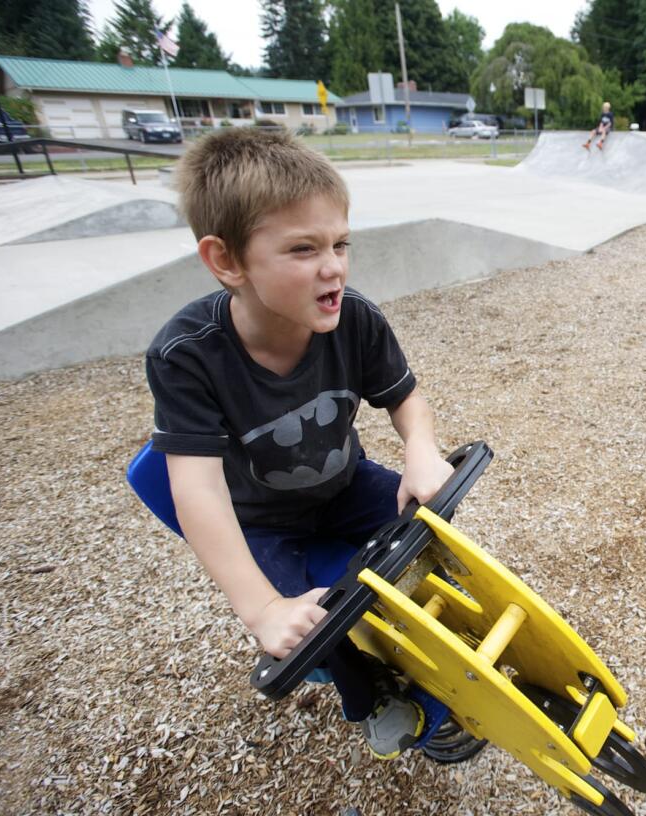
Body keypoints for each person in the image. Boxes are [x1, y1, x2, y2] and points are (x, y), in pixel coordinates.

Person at [144, 128, 454, 760]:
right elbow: (195, 488)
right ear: (227, 261)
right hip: (263, 524)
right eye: (303, 248)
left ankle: (452, 638)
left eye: (341, 243)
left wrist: (421, 451)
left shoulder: (356, 318)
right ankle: (370, 700)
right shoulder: (188, 355)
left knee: (431, 531)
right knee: (317, 626)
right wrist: (261, 609)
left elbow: (405, 401)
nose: (333, 265)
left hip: (343, 485)